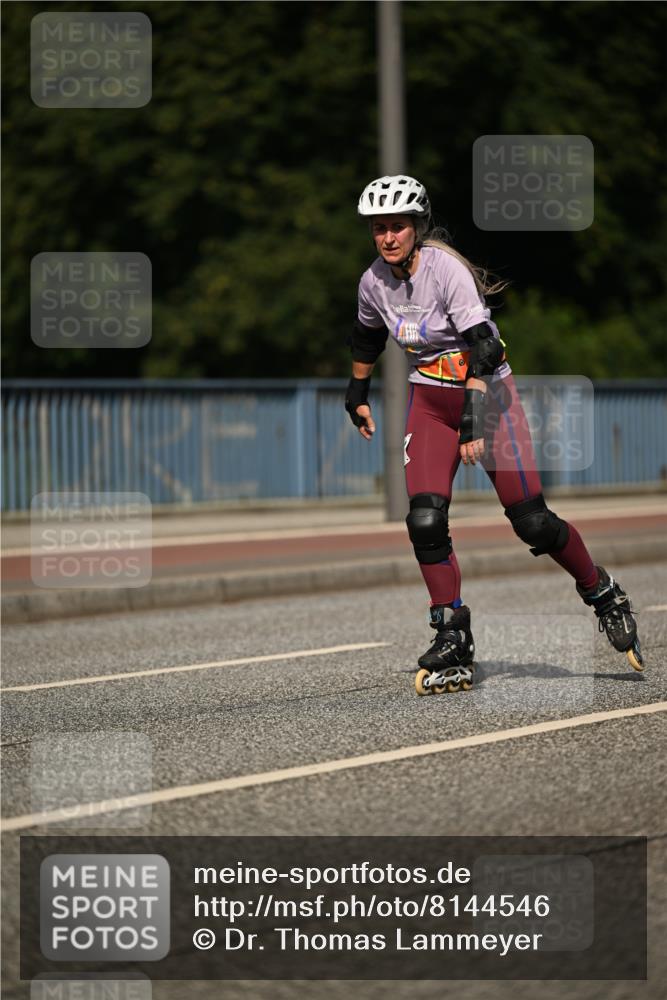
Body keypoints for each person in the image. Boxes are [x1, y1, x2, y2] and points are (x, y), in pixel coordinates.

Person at [345, 174, 643, 694]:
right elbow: (367, 335)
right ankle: (452, 633)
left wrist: (472, 421)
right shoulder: (373, 282)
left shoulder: (447, 271)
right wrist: (357, 393)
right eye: (378, 228)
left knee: (532, 523)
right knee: (424, 519)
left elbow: (486, 349)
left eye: (397, 226)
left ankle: (602, 591)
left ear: (418, 226)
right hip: (429, 404)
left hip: (489, 399)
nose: (388, 237)